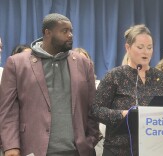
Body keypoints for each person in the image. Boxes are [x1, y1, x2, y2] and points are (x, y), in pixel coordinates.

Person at [0, 13, 100, 156]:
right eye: (64, 31)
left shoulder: (83, 63)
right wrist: (11, 145)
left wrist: (91, 139)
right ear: (47, 32)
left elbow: (92, 106)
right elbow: (8, 110)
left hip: (78, 150)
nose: (70, 35)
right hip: (33, 149)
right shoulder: (17, 63)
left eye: (71, 31)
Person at [90, 24, 163, 156]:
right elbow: (95, 110)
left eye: (149, 48)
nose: (146, 52)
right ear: (128, 47)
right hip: (118, 150)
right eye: (140, 47)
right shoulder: (115, 76)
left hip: (156, 149)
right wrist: (122, 114)